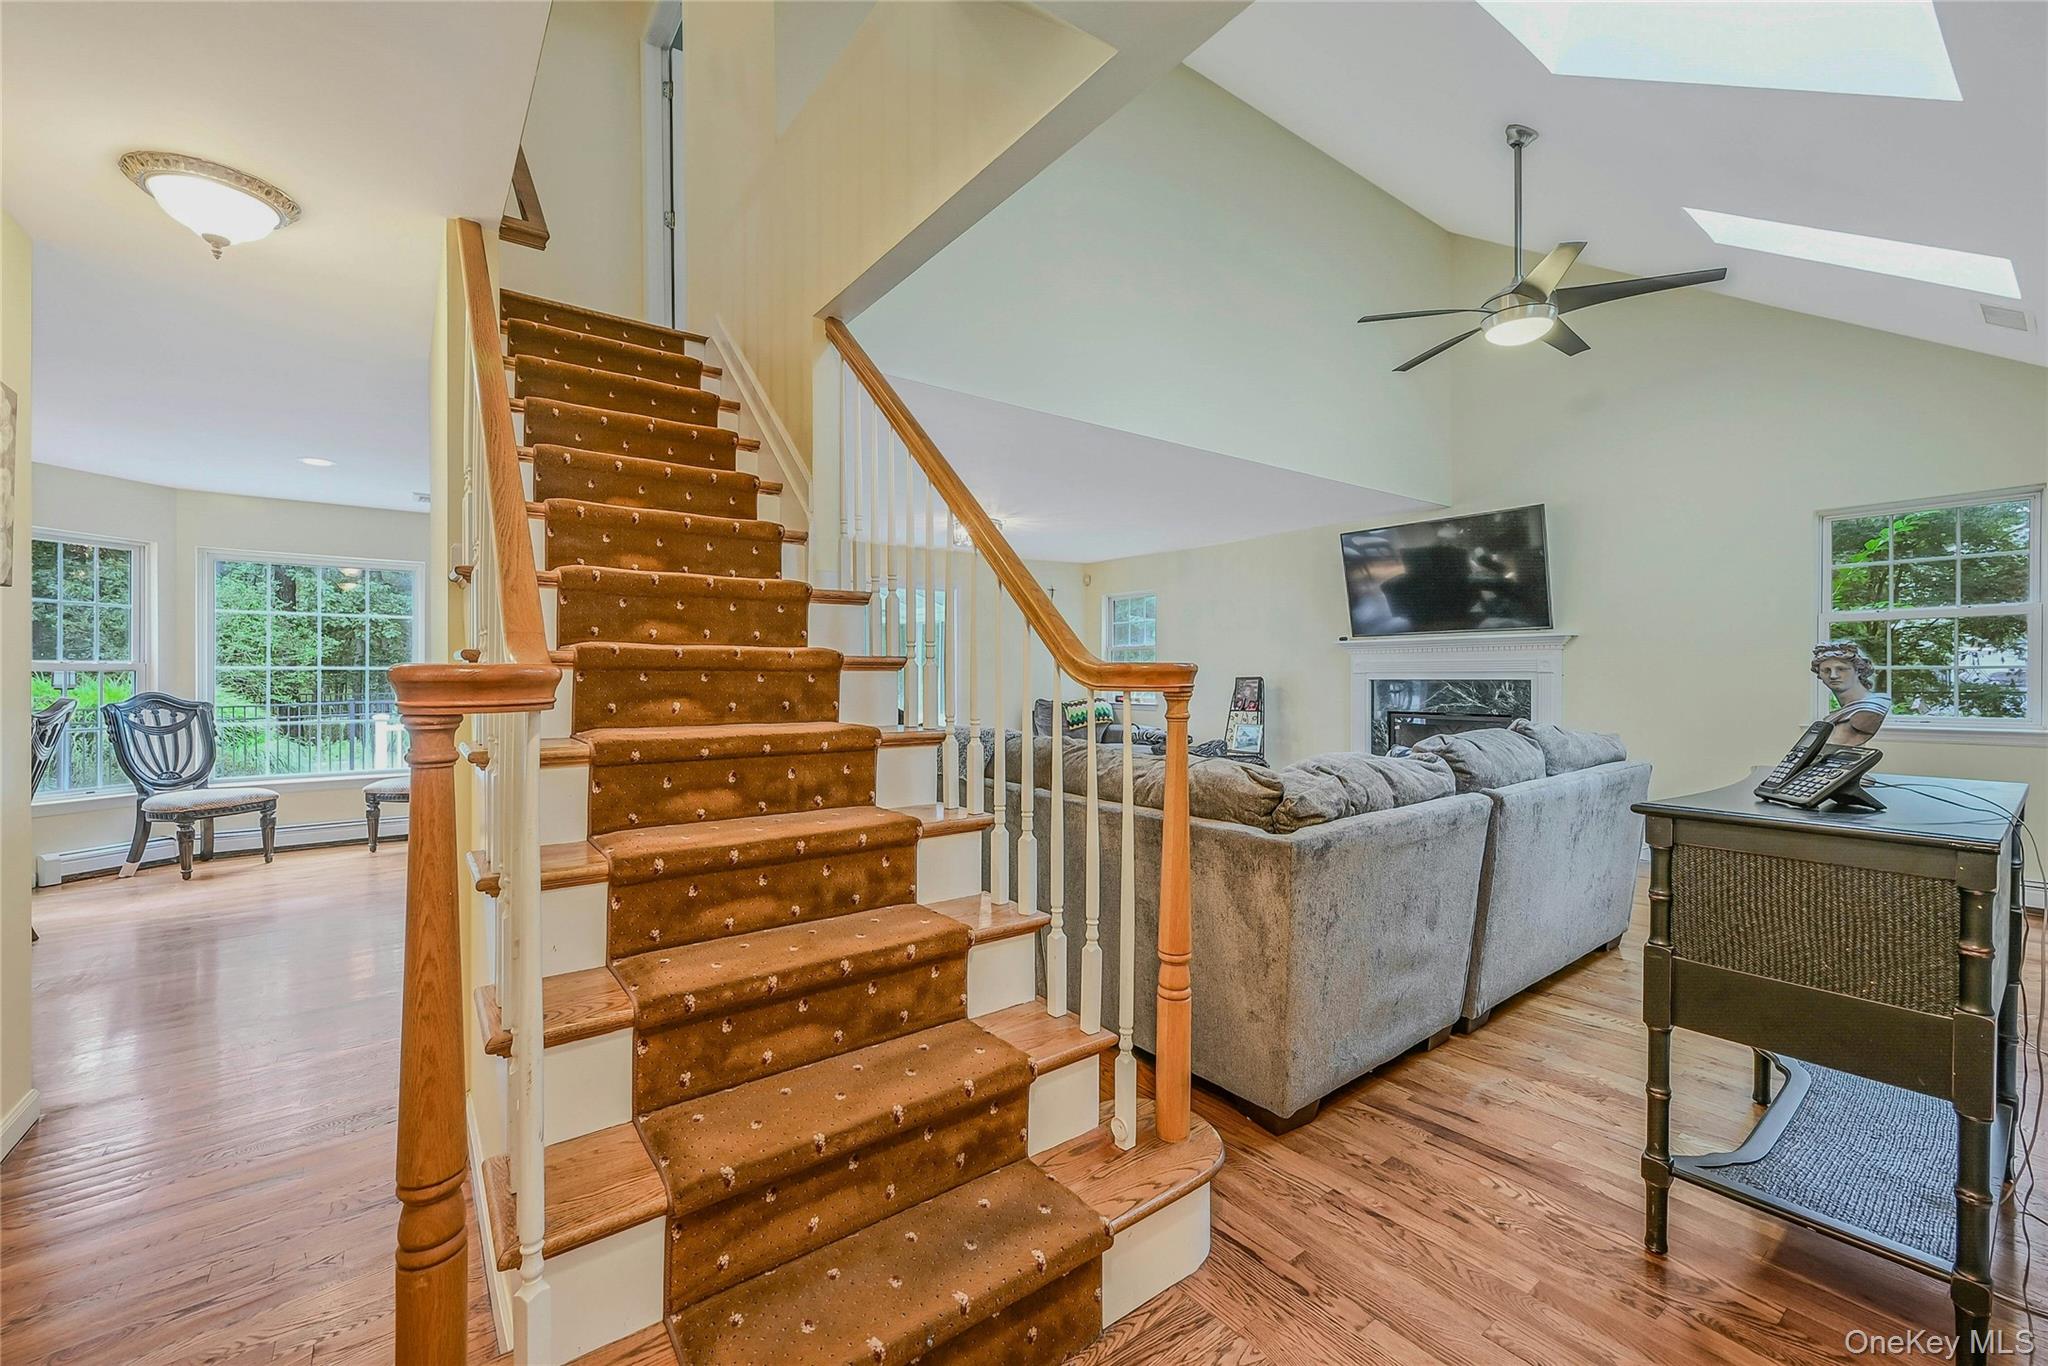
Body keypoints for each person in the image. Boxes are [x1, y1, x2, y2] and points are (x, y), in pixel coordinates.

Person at [1811, 641, 1891, 746]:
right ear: (1819, 674)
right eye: (1826, 670)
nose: (1833, 676)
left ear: (1858, 670)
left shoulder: (1869, 710)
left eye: (1841, 669)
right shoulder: (1843, 713)